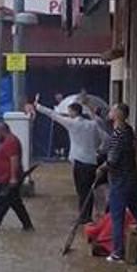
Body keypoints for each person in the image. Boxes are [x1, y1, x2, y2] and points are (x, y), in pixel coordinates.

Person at [28, 93, 109, 223]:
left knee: (81, 191)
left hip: (79, 163)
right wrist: (99, 151)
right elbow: (107, 139)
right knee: (88, 190)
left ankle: (84, 217)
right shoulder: (93, 124)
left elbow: (53, 115)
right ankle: (86, 216)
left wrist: (38, 106)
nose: (68, 113)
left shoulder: (72, 124)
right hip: (92, 161)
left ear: (74, 112)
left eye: (69, 111)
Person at [97, 102, 137, 262]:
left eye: (112, 110)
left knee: (117, 216)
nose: (109, 112)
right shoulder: (128, 130)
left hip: (121, 180)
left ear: (118, 114)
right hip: (131, 178)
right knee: (136, 210)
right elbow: (104, 118)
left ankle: (117, 252)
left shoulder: (118, 134)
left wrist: (101, 168)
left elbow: (113, 159)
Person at [0, 122, 34, 231]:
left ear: (2, 131)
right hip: (6, 178)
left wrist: (13, 177)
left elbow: (14, 159)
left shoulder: (11, 142)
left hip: (8, 179)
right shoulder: (7, 141)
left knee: (2, 205)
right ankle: (28, 226)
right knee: (15, 203)